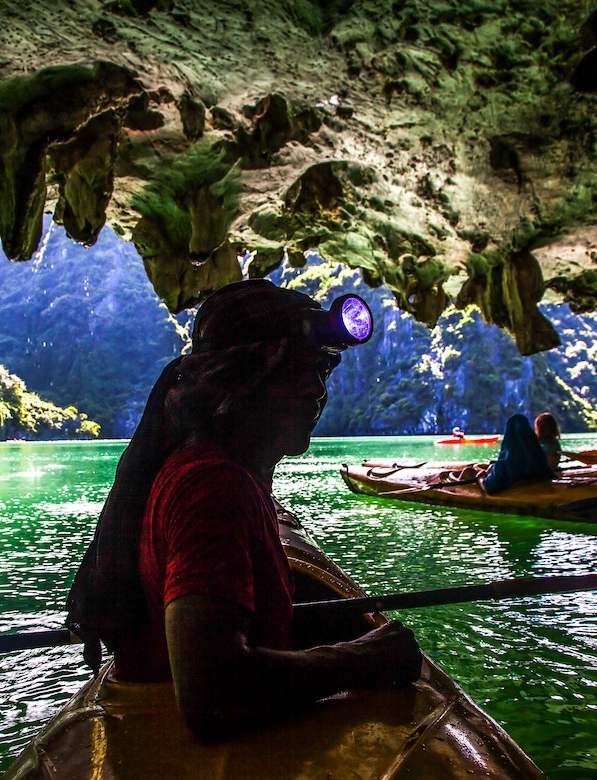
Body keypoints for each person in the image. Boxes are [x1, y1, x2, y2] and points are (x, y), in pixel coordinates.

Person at [65, 280, 421, 742]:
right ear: (244, 377)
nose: (317, 390)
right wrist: (365, 659)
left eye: (322, 370)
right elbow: (212, 694)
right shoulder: (214, 487)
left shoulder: (208, 471)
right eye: (297, 369)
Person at [470, 412, 555, 493]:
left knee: (468, 472)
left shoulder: (505, 465)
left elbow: (488, 487)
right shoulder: (539, 458)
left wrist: (480, 477)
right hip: (535, 490)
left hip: (515, 492)